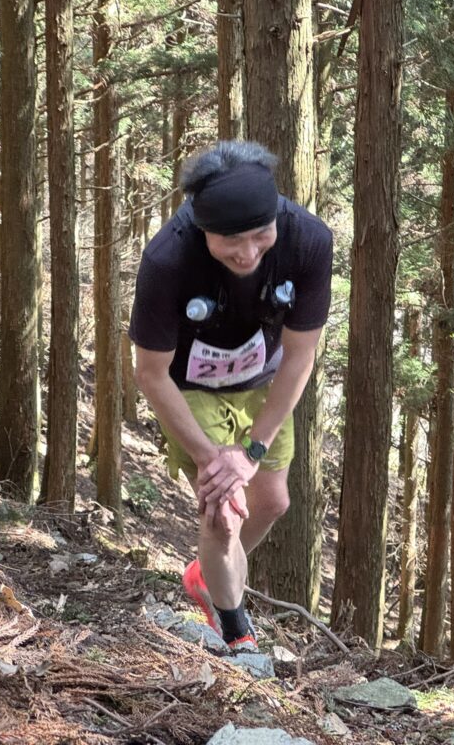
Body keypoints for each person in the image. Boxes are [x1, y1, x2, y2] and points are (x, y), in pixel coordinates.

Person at [130, 141, 333, 651]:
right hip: (188, 385)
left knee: (273, 501)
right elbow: (150, 373)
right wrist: (210, 457)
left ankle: (207, 572)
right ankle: (236, 631)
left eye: (261, 235)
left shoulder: (308, 240)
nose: (247, 253)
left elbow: (301, 356)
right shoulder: (168, 258)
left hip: (263, 379)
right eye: (230, 240)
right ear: (204, 229)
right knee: (222, 509)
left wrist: (252, 451)